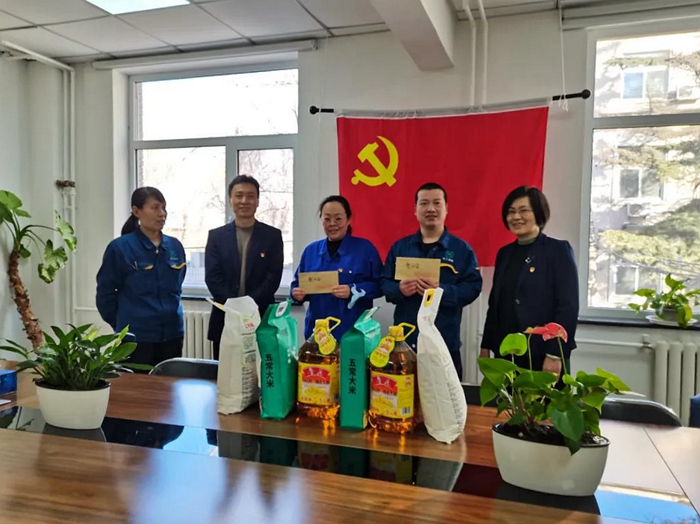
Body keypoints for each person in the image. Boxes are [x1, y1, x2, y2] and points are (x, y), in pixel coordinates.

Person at [382, 182, 482, 378]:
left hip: (444, 342)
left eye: (437, 203)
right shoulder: (400, 248)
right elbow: (385, 284)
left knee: (445, 396)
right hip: (405, 342)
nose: (430, 209)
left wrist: (441, 292)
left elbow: (473, 287)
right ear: (415, 209)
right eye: (424, 203)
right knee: (404, 393)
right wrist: (399, 289)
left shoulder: (461, 250)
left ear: (446, 208)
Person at [480, 186, 579, 375]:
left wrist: (555, 354)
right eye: (511, 212)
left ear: (539, 214)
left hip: (543, 354)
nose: (516, 217)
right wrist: (486, 346)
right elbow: (495, 306)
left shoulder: (557, 251)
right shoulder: (504, 254)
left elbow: (568, 307)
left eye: (523, 210)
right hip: (507, 354)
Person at [96, 187, 186, 368]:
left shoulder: (175, 246)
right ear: (136, 211)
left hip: (172, 334)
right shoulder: (120, 248)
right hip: (136, 336)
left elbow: (177, 286)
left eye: (164, 208)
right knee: (136, 385)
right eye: (155, 208)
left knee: (168, 383)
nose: (162, 214)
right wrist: (121, 323)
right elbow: (105, 293)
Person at [205, 175, 284, 359]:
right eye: (239, 195)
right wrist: (235, 307)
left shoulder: (272, 236)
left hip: (260, 316)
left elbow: (273, 278)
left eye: (250, 196)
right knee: (224, 372)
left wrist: (248, 307)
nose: (244, 201)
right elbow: (212, 277)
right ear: (230, 200)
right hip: (225, 317)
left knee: (260, 370)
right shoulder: (216, 237)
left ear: (257, 201)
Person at [291, 195, 383, 340]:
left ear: (348, 219)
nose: (332, 224)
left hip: (354, 331)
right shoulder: (311, 251)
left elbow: (380, 285)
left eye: (338, 218)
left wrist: (353, 290)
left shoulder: (365, 249)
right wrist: (297, 295)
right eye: (327, 219)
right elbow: (297, 285)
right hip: (318, 332)